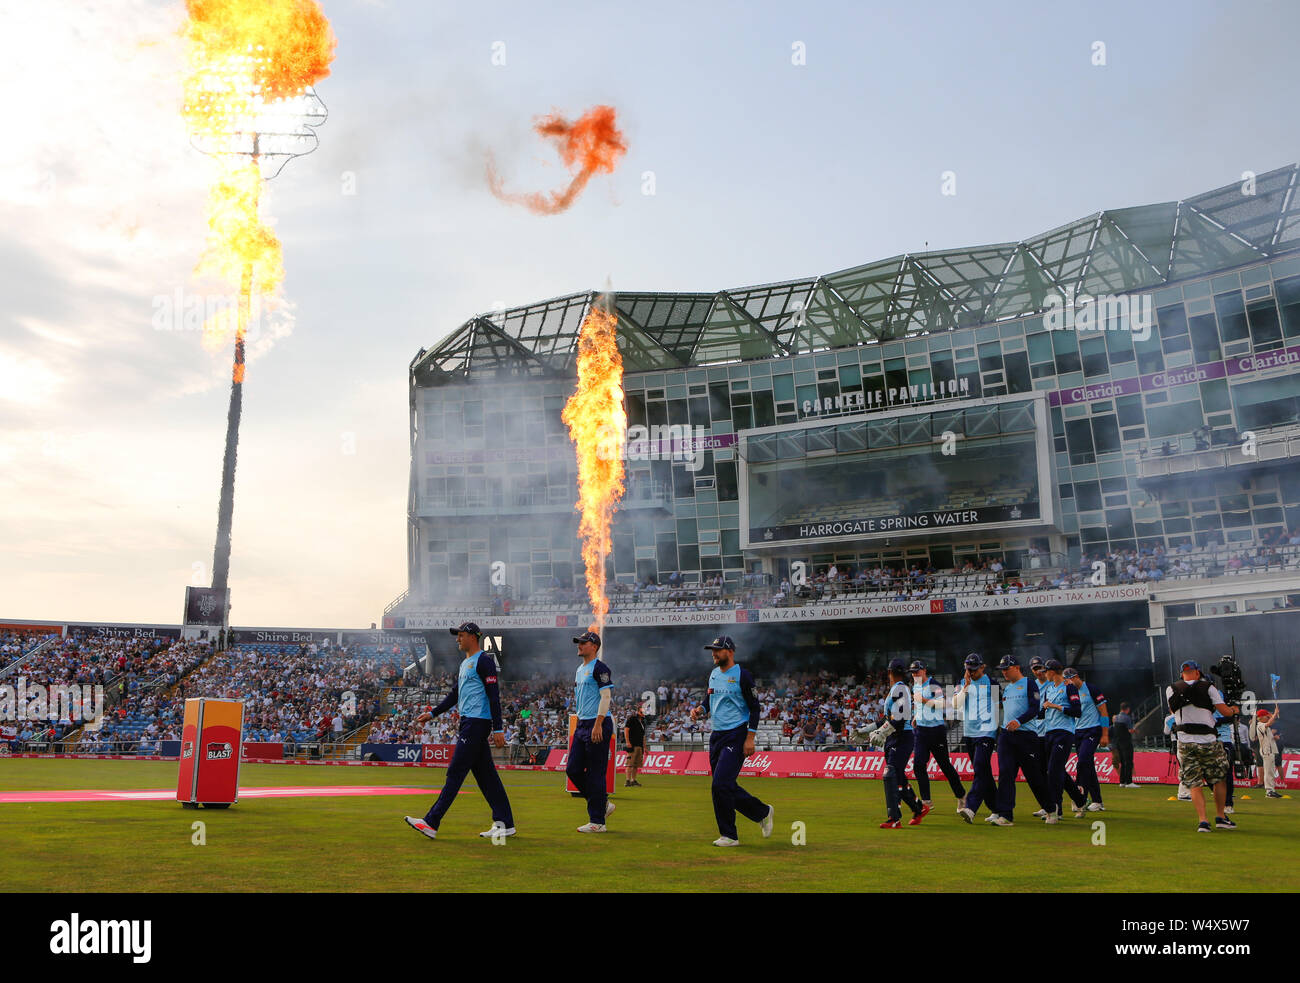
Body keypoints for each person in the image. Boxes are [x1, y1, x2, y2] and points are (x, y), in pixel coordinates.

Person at [403, 623, 515, 841]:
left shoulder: (483, 661)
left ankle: (431, 822)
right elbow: (455, 694)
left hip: (476, 723)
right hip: (469, 723)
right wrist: (433, 713)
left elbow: (494, 696)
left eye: (461, 635)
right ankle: (505, 824)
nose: (458, 639)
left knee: (455, 772)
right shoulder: (466, 663)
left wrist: (498, 728)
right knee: (487, 777)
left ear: (473, 637)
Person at [690, 636, 774, 847]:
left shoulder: (743, 676)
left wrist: (750, 738)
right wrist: (701, 709)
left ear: (730, 651)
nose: (713, 653)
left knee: (720, 784)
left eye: (717, 650)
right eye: (712, 650)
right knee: (723, 786)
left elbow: (755, 708)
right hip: (716, 735)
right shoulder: (714, 674)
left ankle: (729, 835)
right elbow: (710, 699)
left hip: (736, 734)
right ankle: (762, 812)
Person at [1166, 659, 1238, 831]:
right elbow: (1225, 712)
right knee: (1219, 778)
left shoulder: (1171, 689)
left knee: (1194, 783)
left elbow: (1173, 711)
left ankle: (1203, 821)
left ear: (1182, 673)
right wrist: (1235, 709)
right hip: (1207, 740)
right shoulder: (1209, 687)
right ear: (1197, 672)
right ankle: (1221, 816)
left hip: (1185, 742)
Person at [988, 655, 1052, 826]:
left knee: (1034, 777)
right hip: (1006, 737)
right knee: (1005, 774)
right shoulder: (1007, 688)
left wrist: (1019, 721)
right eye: (1002, 669)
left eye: (1006, 669)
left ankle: (1050, 808)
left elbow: (1035, 708)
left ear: (1016, 667)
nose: (1004, 672)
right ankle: (1005, 814)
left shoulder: (1029, 684)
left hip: (1026, 736)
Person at [567, 631, 616, 833]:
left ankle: (597, 822)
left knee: (596, 773)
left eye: (583, 643)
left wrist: (598, 723)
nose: (579, 645)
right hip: (582, 724)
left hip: (597, 723)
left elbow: (606, 697)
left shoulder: (600, 668)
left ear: (594, 646)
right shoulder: (580, 669)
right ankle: (601, 804)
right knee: (573, 769)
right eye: (579, 642)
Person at [870, 658, 927, 828]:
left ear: (889, 673)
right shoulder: (898, 689)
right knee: (899, 778)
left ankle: (894, 819)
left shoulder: (899, 689)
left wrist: (883, 731)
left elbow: (900, 720)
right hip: (897, 736)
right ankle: (918, 808)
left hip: (901, 737)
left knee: (890, 774)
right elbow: (889, 718)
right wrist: (867, 729)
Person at [909, 659, 966, 811]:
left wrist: (924, 700)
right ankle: (926, 801)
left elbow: (942, 704)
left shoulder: (933, 684)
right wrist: (916, 716)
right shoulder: (916, 685)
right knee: (918, 765)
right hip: (921, 731)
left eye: (917, 671)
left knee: (945, 766)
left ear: (924, 670)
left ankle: (961, 796)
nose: (915, 674)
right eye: (913, 672)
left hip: (936, 731)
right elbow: (918, 704)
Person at [1039, 659, 1086, 824]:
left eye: (1046, 671)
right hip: (1049, 733)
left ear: (1052, 672)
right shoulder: (1049, 689)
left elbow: (1077, 711)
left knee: (1053, 771)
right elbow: (1043, 711)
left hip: (1064, 733)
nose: (1044, 674)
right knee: (1056, 771)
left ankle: (1056, 809)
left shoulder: (1069, 687)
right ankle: (1080, 801)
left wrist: (1056, 707)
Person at [953, 653, 997, 823]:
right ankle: (997, 808)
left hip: (986, 732)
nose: (971, 672)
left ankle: (971, 807)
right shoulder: (963, 682)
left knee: (979, 768)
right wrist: (966, 687)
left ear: (982, 667)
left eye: (974, 669)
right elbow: (956, 704)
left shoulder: (992, 684)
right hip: (969, 733)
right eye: (968, 669)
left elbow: (999, 706)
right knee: (984, 772)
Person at [1064, 667, 1107, 811]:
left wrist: (1105, 734)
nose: (1067, 683)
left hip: (1092, 730)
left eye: (1069, 679)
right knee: (1087, 764)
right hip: (1077, 732)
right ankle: (1097, 801)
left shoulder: (1091, 689)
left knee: (1082, 762)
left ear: (1076, 677)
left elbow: (1104, 712)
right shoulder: (1069, 692)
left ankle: (1080, 798)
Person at [1250, 706, 1282, 798]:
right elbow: (1269, 723)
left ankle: (1271, 790)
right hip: (1266, 751)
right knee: (1268, 771)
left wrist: (1274, 738)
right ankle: (1269, 791)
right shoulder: (1260, 724)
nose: (1268, 717)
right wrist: (1275, 714)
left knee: (1271, 771)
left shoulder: (1264, 726)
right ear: (1262, 717)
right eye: (1266, 716)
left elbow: (1267, 737)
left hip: (1270, 751)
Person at [1111, 701, 1138, 788]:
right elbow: (1130, 730)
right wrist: (1135, 730)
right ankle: (1129, 782)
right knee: (1129, 761)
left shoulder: (1116, 718)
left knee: (1122, 762)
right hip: (1126, 742)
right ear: (1127, 709)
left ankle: (1122, 782)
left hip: (1118, 743)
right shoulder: (1126, 718)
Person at [623, 702, 646, 787]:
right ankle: (628, 780)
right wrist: (627, 742)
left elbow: (643, 735)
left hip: (640, 745)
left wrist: (645, 747)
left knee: (636, 765)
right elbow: (626, 730)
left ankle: (633, 780)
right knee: (630, 764)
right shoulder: (632, 719)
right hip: (632, 745)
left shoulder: (643, 722)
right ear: (638, 711)